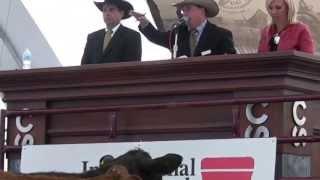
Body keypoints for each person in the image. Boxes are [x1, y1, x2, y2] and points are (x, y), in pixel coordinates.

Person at [131, 0, 236, 58]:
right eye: (182, 11)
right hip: (182, 89)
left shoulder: (221, 35)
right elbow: (157, 37)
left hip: (212, 90)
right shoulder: (178, 33)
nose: (184, 14)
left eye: (188, 9)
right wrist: (143, 21)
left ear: (202, 11)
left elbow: (231, 63)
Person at [81, 0, 142, 65]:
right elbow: (84, 65)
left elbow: (132, 66)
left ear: (121, 13)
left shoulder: (132, 36)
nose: (107, 13)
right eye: (104, 10)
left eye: (111, 10)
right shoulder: (92, 37)